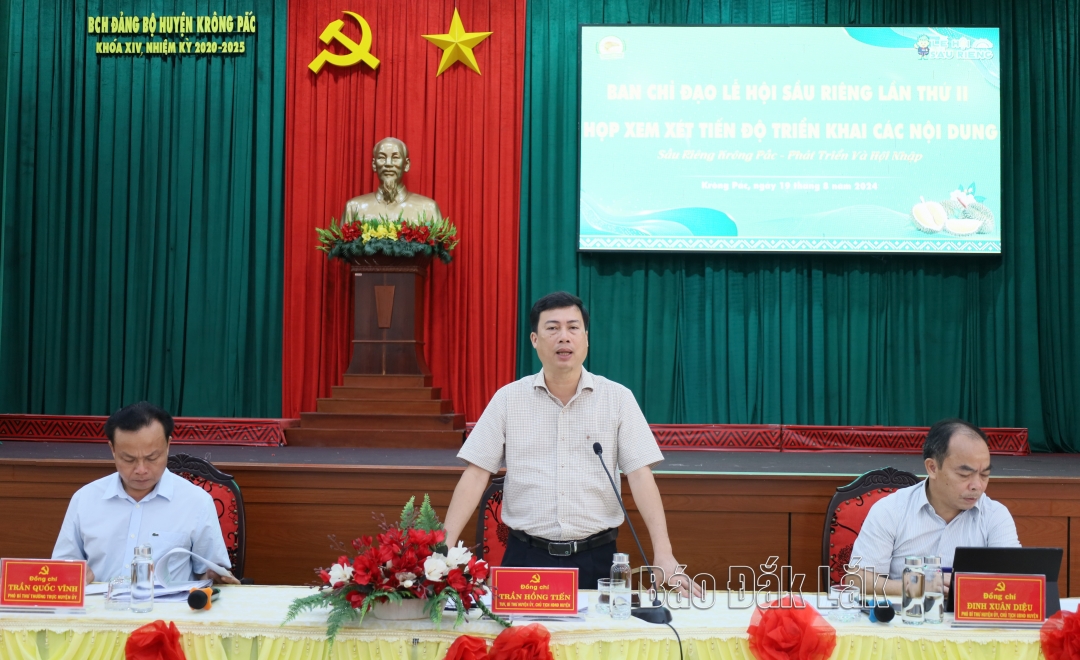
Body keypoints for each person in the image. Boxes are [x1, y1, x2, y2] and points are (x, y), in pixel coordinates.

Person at [442, 291, 694, 593]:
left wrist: (663, 553)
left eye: (573, 328)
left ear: (586, 338)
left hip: (598, 559)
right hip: (525, 558)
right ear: (534, 340)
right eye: (552, 328)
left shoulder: (617, 399)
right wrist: (443, 550)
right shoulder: (508, 399)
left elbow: (640, 476)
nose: (564, 336)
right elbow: (476, 474)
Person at [52, 402, 239, 585]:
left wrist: (216, 578)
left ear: (168, 445)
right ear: (113, 450)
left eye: (152, 458)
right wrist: (70, 573)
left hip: (170, 605)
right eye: (129, 459)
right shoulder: (85, 499)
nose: (141, 470)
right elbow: (61, 568)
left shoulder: (196, 501)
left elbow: (209, 574)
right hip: (100, 604)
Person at [850, 418, 1019, 596]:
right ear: (932, 468)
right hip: (908, 611)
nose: (977, 486)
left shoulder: (995, 515)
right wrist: (915, 587)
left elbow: (1016, 579)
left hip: (971, 613)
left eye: (984, 475)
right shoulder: (890, 510)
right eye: (964, 475)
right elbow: (856, 580)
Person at [343, 137, 443, 224]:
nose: (388, 164)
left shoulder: (428, 209)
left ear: (406, 165)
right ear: (374, 165)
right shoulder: (353, 208)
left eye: (395, 158)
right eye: (382, 157)